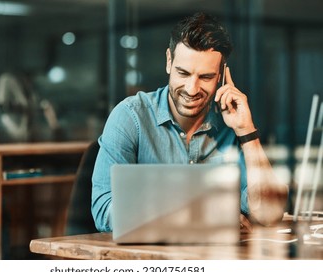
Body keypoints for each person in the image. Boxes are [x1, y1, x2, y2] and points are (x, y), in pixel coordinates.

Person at [91, 12, 288, 233]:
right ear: (169, 61)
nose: (192, 89)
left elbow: (269, 213)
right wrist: (205, 215)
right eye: (183, 73)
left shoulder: (231, 126)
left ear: (221, 75)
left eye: (205, 77)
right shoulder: (131, 117)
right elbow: (105, 212)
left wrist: (246, 132)